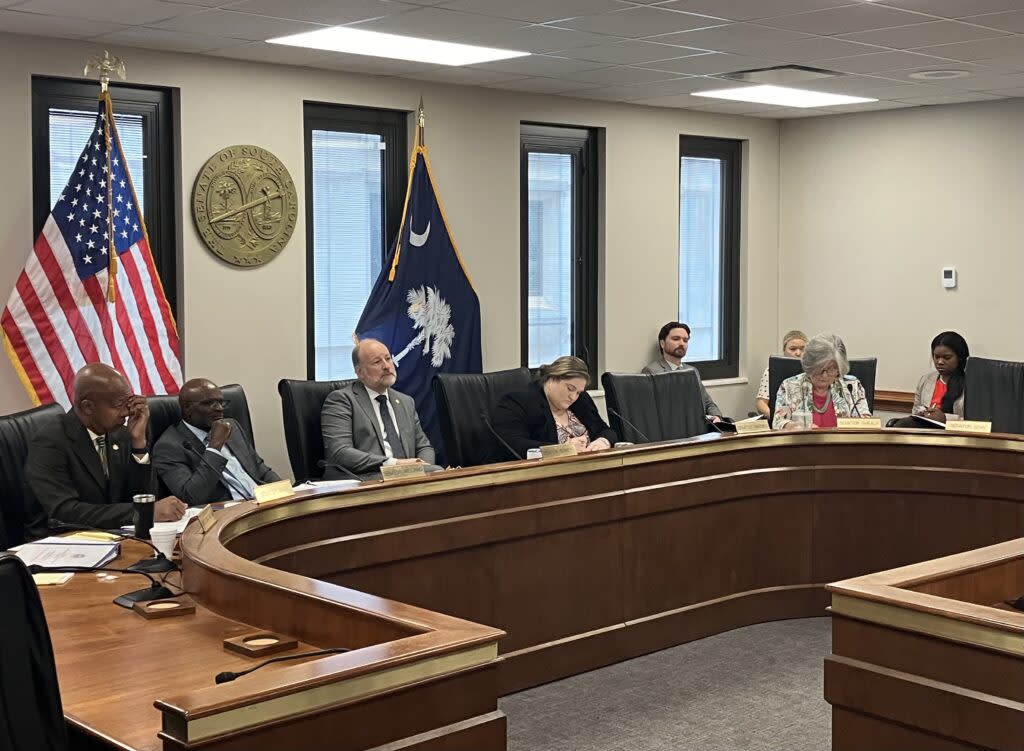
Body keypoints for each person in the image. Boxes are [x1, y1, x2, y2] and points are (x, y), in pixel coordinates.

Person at [24, 363, 186, 539]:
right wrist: (144, 512)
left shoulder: (120, 435)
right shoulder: (50, 442)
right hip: (61, 543)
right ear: (88, 407)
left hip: (112, 536)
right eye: (119, 405)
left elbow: (144, 496)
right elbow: (64, 513)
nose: (126, 412)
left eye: (129, 403)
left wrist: (138, 444)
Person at [321, 338, 436, 480]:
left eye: (388, 359)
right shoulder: (341, 400)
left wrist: (425, 468)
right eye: (377, 362)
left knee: (441, 475)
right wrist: (394, 464)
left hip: (407, 477)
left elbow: (424, 447)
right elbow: (339, 453)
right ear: (360, 372)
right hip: (366, 479)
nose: (387, 366)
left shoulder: (406, 401)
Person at [153, 379, 280, 504]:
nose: (219, 409)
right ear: (187, 408)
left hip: (262, 503)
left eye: (221, 402)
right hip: (228, 514)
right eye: (210, 403)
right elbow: (190, 497)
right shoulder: (168, 446)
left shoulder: (232, 426)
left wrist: (287, 493)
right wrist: (215, 446)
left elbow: (259, 468)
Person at [489, 356, 616, 461]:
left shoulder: (581, 400)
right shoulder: (519, 401)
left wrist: (603, 441)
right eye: (570, 388)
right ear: (552, 378)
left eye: (578, 392)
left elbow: (605, 430)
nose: (573, 397)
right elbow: (512, 445)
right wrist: (563, 450)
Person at [772, 334, 871, 431]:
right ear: (809, 365)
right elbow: (778, 422)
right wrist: (793, 426)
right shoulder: (789, 386)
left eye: (832, 369)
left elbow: (865, 421)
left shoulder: (852, 386)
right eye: (819, 368)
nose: (824, 375)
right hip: (803, 445)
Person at [642, 322, 722, 422]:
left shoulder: (692, 371)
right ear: (662, 343)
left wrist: (716, 417)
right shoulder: (652, 371)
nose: (681, 343)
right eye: (676, 339)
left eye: (685, 340)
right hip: (671, 428)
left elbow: (707, 402)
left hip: (697, 424)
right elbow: (650, 410)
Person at [891, 332, 969, 427]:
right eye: (936, 357)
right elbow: (915, 410)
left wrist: (945, 418)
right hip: (924, 429)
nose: (940, 362)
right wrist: (923, 413)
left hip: (953, 435)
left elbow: (976, 422)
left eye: (947, 358)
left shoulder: (971, 384)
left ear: (960, 358)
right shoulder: (925, 380)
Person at [755, 329, 808, 418]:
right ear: (784, 350)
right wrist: (776, 418)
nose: (798, 353)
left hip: (807, 420)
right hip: (779, 420)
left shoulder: (814, 371)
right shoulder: (772, 370)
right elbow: (761, 403)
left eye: (802, 349)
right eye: (793, 349)